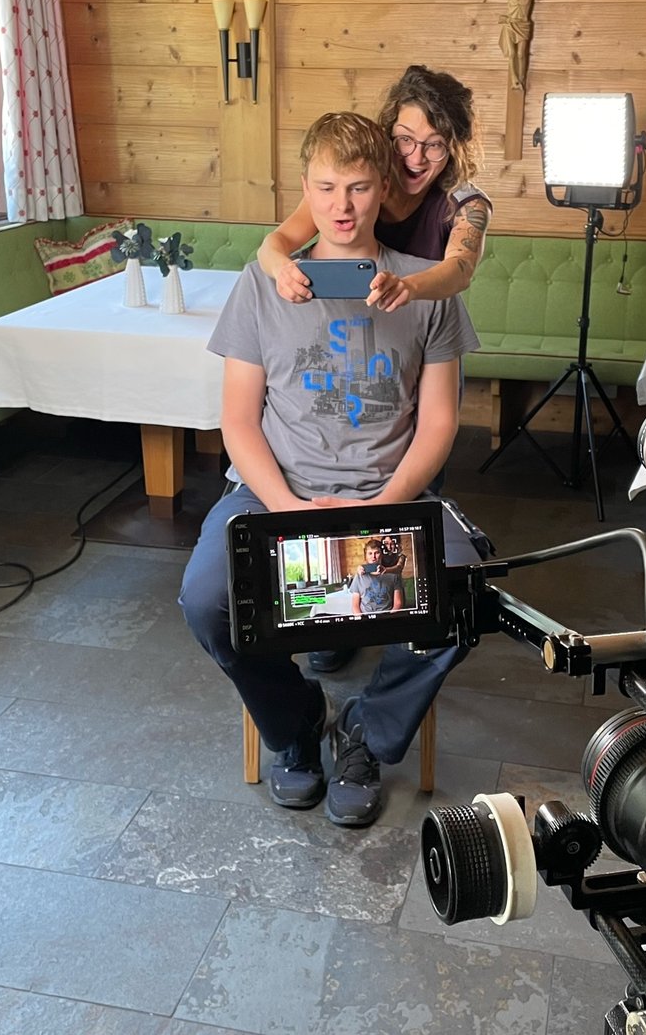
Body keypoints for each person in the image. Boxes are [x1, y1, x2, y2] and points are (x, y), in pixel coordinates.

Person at [178, 111, 481, 829]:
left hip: (389, 496)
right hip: (271, 494)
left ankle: (366, 733)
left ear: (384, 191)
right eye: (325, 188)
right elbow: (238, 422)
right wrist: (286, 507)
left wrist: (383, 508)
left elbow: (439, 423)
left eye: (358, 188)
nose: (341, 206)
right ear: (305, 189)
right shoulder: (263, 284)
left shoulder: (425, 291)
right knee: (206, 600)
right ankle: (295, 724)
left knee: (467, 593)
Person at [255, 65, 491, 312]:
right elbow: (274, 244)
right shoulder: (352, 185)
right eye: (405, 139)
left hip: (418, 317)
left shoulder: (468, 205)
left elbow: (461, 269)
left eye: (435, 145)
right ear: (389, 134)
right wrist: (282, 270)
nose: (416, 158)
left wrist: (408, 287)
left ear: (454, 149)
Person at [351, 538, 404, 614]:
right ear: (366, 556)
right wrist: (361, 618)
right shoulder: (359, 576)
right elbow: (355, 606)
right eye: (370, 553)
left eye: (377, 553)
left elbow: (398, 604)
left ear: (382, 554)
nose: (373, 557)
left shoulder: (393, 576)